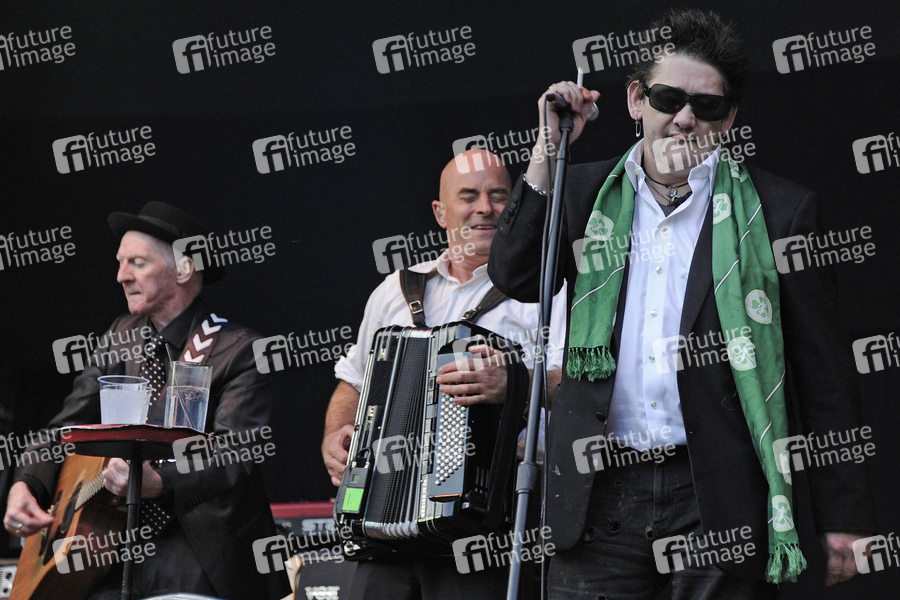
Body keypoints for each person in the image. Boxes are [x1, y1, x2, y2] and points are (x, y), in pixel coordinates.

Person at [488, 9, 875, 600]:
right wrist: (547, 149)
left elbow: (824, 374)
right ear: (636, 100)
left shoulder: (780, 212)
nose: (685, 118)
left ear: (730, 118)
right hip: (597, 494)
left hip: (719, 495)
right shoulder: (582, 193)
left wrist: (844, 515)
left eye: (707, 106)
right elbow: (514, 274)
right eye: (668, 98)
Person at [4, 202, 290, 600]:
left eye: (137, 263)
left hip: (197, 552)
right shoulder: (120, 336)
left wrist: (161, 481)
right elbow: (66, 427)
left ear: (184, 269)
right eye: (121, 263)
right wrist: (28, 482)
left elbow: (235, 451)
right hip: (111, 548)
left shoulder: (239, 350)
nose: (121, 276)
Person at [322, 149, 565, 600]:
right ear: (440, 212)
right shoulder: (397, 288)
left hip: (493, 520)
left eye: (499, 196)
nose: (484, 208)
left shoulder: (549, 290)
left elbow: (580, 384)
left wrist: (515, 382)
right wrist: (336, 435)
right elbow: (353, 381)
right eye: (468, 196)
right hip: (385, 517)